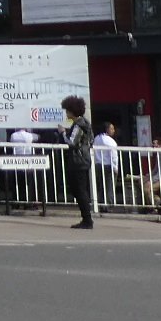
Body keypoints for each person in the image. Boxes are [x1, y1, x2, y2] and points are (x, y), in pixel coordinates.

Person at [61, 95, 95, 229]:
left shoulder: (78, 124)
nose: (66, 113)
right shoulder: (86, 123)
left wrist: (63, 133)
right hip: (84, 159)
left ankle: (87, 219)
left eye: (67, 111)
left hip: (78, 161)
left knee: (79, 190)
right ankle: (86, 218)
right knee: (79, 189)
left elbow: (72, 142)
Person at [93, 120, 121, 206]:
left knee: (100, 186)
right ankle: (108, 204)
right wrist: (115, 168)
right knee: (109, 186)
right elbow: (114, 156)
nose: (113, 130)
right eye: (111, 128)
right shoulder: (110, 141)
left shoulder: (97, 138)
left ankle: (100, 204)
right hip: (108, 166)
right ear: (107, 129)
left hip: (98, 165)